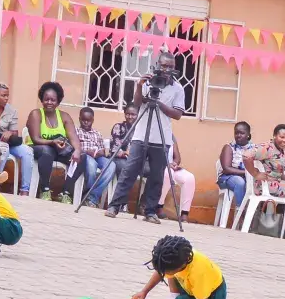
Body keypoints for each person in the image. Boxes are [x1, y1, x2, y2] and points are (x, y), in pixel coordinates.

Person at [106, 52, 185, 223]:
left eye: (171, 67)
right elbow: (136, 104)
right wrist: (139, 85)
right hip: (141, 136)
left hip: (162, 138)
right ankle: (114, 206)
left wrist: (159, 104)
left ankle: (150, 211)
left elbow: (177, 114)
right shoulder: (148, 81)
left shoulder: (178, 88)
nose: (167, 70)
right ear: (158, 65)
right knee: (129, 172)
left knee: (157, 177)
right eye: (164, 66)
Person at [132, 235, 226, 299]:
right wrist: (144, 292)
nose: (164, 273)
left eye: (167, 271)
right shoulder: (181, 256)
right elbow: (161, 271)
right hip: (193, 291)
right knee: (171, 276)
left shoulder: (198, 272)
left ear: (182, 265)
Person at [243, 123, 285, 241]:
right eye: (281, 137)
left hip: (274, 184)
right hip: (266, 185)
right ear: (274, 136)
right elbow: (247, 156)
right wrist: (255, 174)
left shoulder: (279, 150)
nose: (284, 140)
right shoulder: (267, 148)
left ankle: (282, 230)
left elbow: (278, 172)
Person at [26, 82, 81, 202]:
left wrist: (77, 151)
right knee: (47, 151)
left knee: (82, 157)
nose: (49, 102)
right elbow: (35, 139)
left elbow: (74, 137)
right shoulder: (36, 114)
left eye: (53, 100)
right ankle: (45, 190)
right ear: (42, 100)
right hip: (38, 148)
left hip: (58, 151)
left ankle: (66, 193)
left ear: (58, 101)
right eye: (46, 99)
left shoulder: (64, 116)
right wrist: (52, 141)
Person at [0, 83, 33, 196]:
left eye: (7, 96)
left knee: (27, 152)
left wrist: (9, 132)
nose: (6, 98)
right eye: (3, 95)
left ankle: (24, 190)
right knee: (2, 148)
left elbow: (15, 132)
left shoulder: (11, 111)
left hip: (5, 140)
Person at [75, 107, 115, 208]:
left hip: (97, 157)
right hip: (84, 156)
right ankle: (90, 197)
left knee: (111, 165)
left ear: (92, 120)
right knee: (91, 164)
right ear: (79, 119)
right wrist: (86, 151)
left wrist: (100, 152)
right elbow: (73, 148)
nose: (86, 122)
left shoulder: (97, 133)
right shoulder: (76, 131)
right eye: (83, 120)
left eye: (88, 120)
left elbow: (102, 150)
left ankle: (91, 197)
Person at [159, 137, 196, 222]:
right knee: (168, 174)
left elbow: (177, 157)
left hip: (171, 167)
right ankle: (159, 206)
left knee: (189, 178)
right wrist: (167, 164)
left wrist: (175, 163)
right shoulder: (155, 134)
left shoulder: (171, 137)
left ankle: (184, 213)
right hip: (159, 166)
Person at [217, 121, 253, 208]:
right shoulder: (229, 147)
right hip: (227, 178)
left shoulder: (254, 149)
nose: (238, 135)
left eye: (242, 133)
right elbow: (226, 168)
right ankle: (240, 211)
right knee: (239, 182)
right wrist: (246, 173)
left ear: (248, 135)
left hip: (248, 178)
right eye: (236, 133)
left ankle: (256, 213)